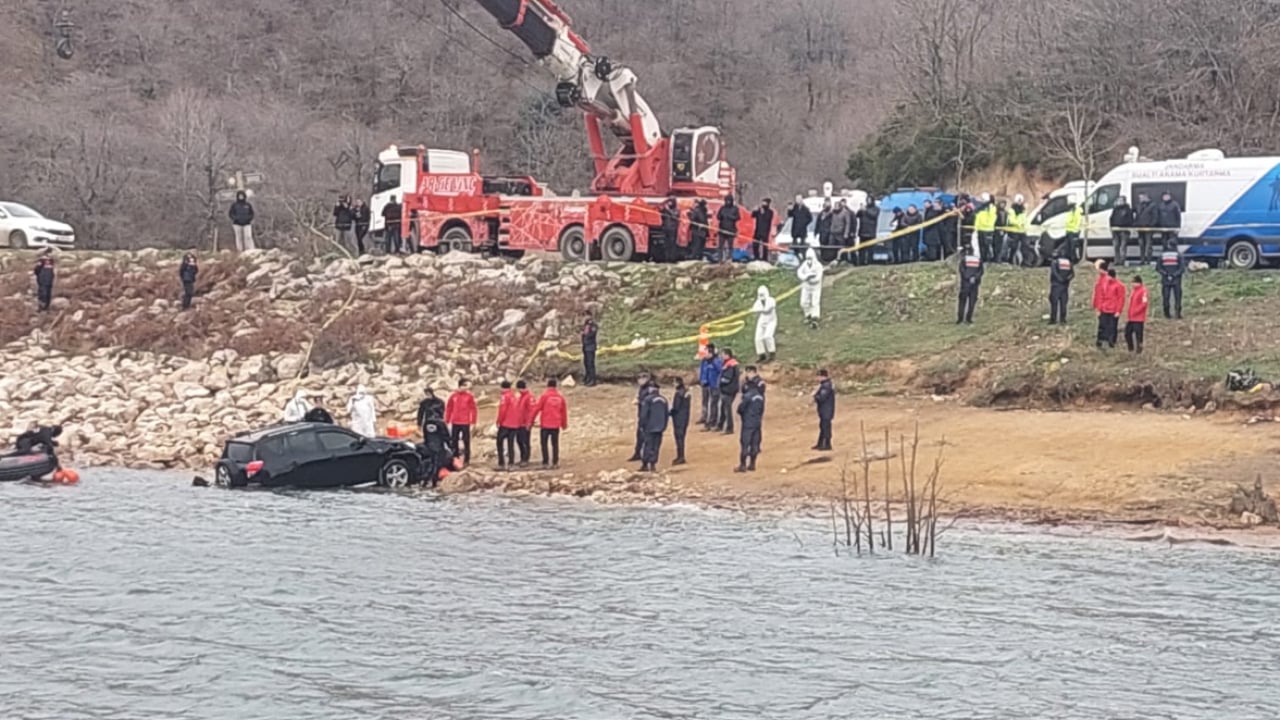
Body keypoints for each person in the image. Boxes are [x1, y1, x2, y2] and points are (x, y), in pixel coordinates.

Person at [735, 368, 765, 473]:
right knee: (755, 444)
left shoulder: (747, 396)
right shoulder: (760, 397)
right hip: (757, 422)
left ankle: (743, 465)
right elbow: (761, 410)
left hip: (748, 423)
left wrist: (743, 414)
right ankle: (752, 464)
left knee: (745, 444)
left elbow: (740, 409)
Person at [534, 378, 568, 468]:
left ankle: (545, 462)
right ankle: (555, 462)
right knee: (555, 444)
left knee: (544, 443)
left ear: (547, 386)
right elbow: (563, 412)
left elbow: (537, 408)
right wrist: (564, 424)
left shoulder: (544, 396)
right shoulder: (560, 397)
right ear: (556, 386)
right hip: (556, 424)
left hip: (545, 424)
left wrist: (530, 421)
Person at [444, 379, 477, 465]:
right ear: (460, 386)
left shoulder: (469, 396)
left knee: (466, 441)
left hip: (465, 422)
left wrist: (473, 421)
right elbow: (449, 408)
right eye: (465, 386)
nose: (466, 388)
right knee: (454, 441)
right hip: (455, 422)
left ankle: (467, 459)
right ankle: (455, 458)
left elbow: (473, 409)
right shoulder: (453, 396)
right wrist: (447, 420)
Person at [638, 380, 669, 472]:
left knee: (648, 445)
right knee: (656, 446)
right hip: (660, 427)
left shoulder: (647, 400)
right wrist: (664, 426)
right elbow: (666, 414)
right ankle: (653, 464)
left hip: (649, 427)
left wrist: (641, 425)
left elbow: (643, 414)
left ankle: (645, 464)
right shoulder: (664, 400)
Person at [418, 413, 454, 487]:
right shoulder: (440, 423)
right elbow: (446, 436)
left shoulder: (427, 422)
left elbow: (425, 435)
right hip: (438, 448)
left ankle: (424, 481)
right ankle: (434, 482)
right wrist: (451, 447)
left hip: (428, 447)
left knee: (430, 464)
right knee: (437, 465)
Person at [1156, 238, 1186, 320]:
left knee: (1166, 297)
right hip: (1176, 280)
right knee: (1178, 297)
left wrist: (1166, 274)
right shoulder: (1179, 255)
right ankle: (1178, 313)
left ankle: (1167, 314)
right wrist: (1174, 275)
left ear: (1168, 245)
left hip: (1165, 280)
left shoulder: (1162, 255)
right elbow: (1182, 268)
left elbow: (1158, 268)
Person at [1095, 267, 1124, 349]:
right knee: (1102, 325)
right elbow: (1101, 296)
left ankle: (1111, 341)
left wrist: (1118, 311)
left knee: (1112, 326)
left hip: (1113, 310)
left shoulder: (1119, 286)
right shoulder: (1105, 284)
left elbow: (1120, 299)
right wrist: (1099, 308)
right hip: (1104, 308)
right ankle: (1100, 340)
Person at [627, 373, 652, 461]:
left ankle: (647, 456)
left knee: (646, 436)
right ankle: (637, 453)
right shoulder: (642, 388)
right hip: (641, 415)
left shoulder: (649, 389)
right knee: (639, 435)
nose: (640, 381)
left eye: (642, 378)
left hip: (647, 417)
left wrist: (639, 401)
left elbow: (650, 402)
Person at [796, 248, 824, 329]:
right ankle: (808, 315)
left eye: (810, 258)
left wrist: (810, 279)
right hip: (806, 287)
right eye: (807, 258)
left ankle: (815, 319)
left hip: (815, 288)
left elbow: (818, 278)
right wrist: (805, 277)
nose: (809, 260)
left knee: (815, 302)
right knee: (803, 302)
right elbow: (799, 272)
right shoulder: (804, 264)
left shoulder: (818, 266)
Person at [495, 381, 520, 470]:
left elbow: (503, 410)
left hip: (506, 423)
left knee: (499, 442)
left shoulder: (504, 396)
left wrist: (499, 421)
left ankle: (501, 462)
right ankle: (511, 463)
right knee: (511, 443)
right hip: (514, 423)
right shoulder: (514, 396)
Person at [957, 246, 983, 324]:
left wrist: (968, 277)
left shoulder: (964, 260)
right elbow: (981, 271)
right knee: (972, 302)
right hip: (975, 284)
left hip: (965, 284)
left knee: (962, 301)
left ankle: (960, 319)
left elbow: (961, 270)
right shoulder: (978, 260)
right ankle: (969, 318)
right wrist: (975, 278)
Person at [698, 342, 722, 430]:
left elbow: (720, 371)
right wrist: (701, 380)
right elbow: (702, 371)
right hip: (705, 384)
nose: (704, 354)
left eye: (706, 352)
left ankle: (712, 421)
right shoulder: (704, 361)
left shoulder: (716, 361)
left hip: (714, 385)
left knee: (713, 404)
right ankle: (704, 417)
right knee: (705, 402)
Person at [751, 285, 778, 362]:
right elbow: (754, 309)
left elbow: (767, 309)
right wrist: (758, 309)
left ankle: (772, 353)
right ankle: (761, 354)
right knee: (757, 338)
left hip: (771, 321)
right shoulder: (758, 302)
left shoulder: (771, 300)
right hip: (762, 320)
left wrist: (760, 309)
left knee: (768, 336)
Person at [716, 348, 740, 434]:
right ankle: (720, 425)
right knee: (723, 407)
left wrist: (720, 383)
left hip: (728, 390)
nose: (721, 356)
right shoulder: (730, 363)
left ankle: (729, 428)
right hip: (729, 389)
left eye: (722, 354)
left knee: (727, 409)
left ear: (727, 355)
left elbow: (727, 379)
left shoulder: (730, 365)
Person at [1048, 248, 1075, 325]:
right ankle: (1063, 319)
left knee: (1054, 302)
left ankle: (1053, 319)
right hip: (1065, 286)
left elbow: (1054, 273)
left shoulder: (1055, 262)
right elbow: (1072, 274)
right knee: (1063, 303)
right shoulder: (1068, 262)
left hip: (1056, 285)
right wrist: (1066, 280)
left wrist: (1060, 279)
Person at [670, 378, 691, 466]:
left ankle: (680, 456)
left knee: (679, 438)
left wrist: (669, 412)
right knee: (682, 437)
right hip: (685, 417)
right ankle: (681, 455)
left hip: (678, 418)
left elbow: (676, 407)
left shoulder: (678, 394)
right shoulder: (686, 393)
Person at [813, 369, 835, 452]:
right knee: (823, 426)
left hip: (827, 410)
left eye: (818, 376)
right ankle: (821, 443)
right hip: (825, 410)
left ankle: (826, 444)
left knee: (825, 427)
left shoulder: (826, 386)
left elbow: (822, 397)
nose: (817, 379)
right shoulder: (825, 385)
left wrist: (815, 397)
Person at [1125, 275, 1148, 354]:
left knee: (1138, 335)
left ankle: (1139, 349)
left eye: (1134, 282)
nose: (1132, 284)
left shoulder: (1143, 291)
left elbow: (1144, 304)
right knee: (1127, 333)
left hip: (1138, 318)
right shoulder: (1134, 291)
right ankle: (1130, 348)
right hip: (1131, 317)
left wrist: (1136, 311)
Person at [1109, 195, 1135, 265]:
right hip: (1115, 231)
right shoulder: (1115, 209)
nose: (1119, 202)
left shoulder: (1128, 210)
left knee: (1123, 246)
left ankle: (1122, 261)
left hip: (1124, 231)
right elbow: (1111, 219)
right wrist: (1112, 227)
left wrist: (1124, 226)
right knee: (1116, 246)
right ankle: (1116, 260)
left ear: (1124, 201)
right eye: (1118, 200)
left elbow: (1130, 220)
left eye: (1121, 200)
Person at [715, 194, 740, 263]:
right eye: (726, 200)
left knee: (730, 246)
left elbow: (738, 217)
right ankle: (720, 259)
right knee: (720, 246)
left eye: (729, 201)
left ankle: (729, 258)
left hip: (731, 230)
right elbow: (718, 217)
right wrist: (722, 216)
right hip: (722, 229)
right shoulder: (722, 208)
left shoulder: (735, 208)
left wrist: (730, 216)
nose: (728, 202)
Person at [855, 197, 880, 265]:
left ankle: (870, 261)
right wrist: (860, 210)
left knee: (870, 249)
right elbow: (857, 216)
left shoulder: (876, 209)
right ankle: (861, 262)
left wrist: (865, 210)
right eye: (867, 200)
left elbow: (874, 215)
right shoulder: (864, 208)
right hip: (862, 232)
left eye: (869, 200)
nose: (868, 201)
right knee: (862, 249)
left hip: (871, 232)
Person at [1134, 192, 1158, 264]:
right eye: (1139, 198)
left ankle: (1148, 260)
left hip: (1148, 228)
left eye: (1141, 197)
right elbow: (1137, 216)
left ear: (1146, 197)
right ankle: (1142, 260)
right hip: (1140, 228)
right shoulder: (1138, 206)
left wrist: (1151, 225)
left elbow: (1155, 216)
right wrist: (1135, 224)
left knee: (1148, 245)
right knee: (1141, 244)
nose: (1140, 199)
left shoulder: (1153, 205)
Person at [515, 380, 535, 466]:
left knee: (525, 441)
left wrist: (529, 423)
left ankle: (526, 458)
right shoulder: (520, 397)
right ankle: (522, 457)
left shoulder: (529, 397)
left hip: (526, 423)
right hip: (519, 423)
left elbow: (532, 411)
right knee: (519, 440)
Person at [973, 193, 997, 262]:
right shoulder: (980, 208)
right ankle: (982, 260)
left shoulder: (991, 207)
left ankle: (987, 260)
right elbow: (977, 218)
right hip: (980, 229)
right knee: (981, 246)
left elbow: (992, 217)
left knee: (987, 246)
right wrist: (976, 228)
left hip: (988, 229)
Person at [1008, 194, 1030, 266]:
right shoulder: (1012, 210)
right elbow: (1011, 220)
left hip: (1023, 231)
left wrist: (1026, 227)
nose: (1020, 202)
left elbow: (1025, 220)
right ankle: (1011, 260)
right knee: (1014, 247)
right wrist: (1019, 224)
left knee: (1025, 246)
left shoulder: (1024, 210)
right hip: (1015, 231)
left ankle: (1025, 262)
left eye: (1021, 200)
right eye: (1019, 200)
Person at [829, 198, 854, 264]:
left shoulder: (845, 212)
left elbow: (848, 223)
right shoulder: (833, 212)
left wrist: (846, 233)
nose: (836, 208)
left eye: (837, 206)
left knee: (841, 248)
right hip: (833, 232)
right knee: (832, 247)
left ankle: (843, 260)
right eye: (835, 206)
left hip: (840, 233)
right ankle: (833, 260)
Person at [655, 197, 679, 263]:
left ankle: (672, 258)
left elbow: (675, 216)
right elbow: (661, 213)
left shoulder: (676, 210)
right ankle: (666, 258)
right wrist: (661, 208)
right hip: (666, 229)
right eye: (668, 202)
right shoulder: (666, 210)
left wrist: (668, 210)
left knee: (672, 244)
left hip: (672, 229)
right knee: (666, 244)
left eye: (670, 202)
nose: (669, 203)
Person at [1060, 194, 1084, 260]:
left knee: (1072, 248)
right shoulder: (1072, 210)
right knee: (1068, 247)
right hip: (1069, 231)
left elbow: (1077, 221)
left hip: (1073, 231)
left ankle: (1073, 259)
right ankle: (1070, 258)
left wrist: (1076, 230)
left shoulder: (1076, 211)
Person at [751, 198, 775, 262]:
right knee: (755, 244)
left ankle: (765, 258)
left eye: (765, 203)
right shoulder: (759, 211)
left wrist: (763, 213)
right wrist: (755, 210)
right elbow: (753, 215)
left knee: (765, 246)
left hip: (765, 231)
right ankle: (756, 256)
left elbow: (768, 218)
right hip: (758, 230)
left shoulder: (770, 212)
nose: (763, 204)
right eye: (762, 203)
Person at [581, 312, 598, 386]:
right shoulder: (585, 325)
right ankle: (587, 378)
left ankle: (592, 379)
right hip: (585, 346)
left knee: (590, 364)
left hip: (590, 347)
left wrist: (585, 335)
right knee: (586, 363)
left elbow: (592, 334)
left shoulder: (593, 325)